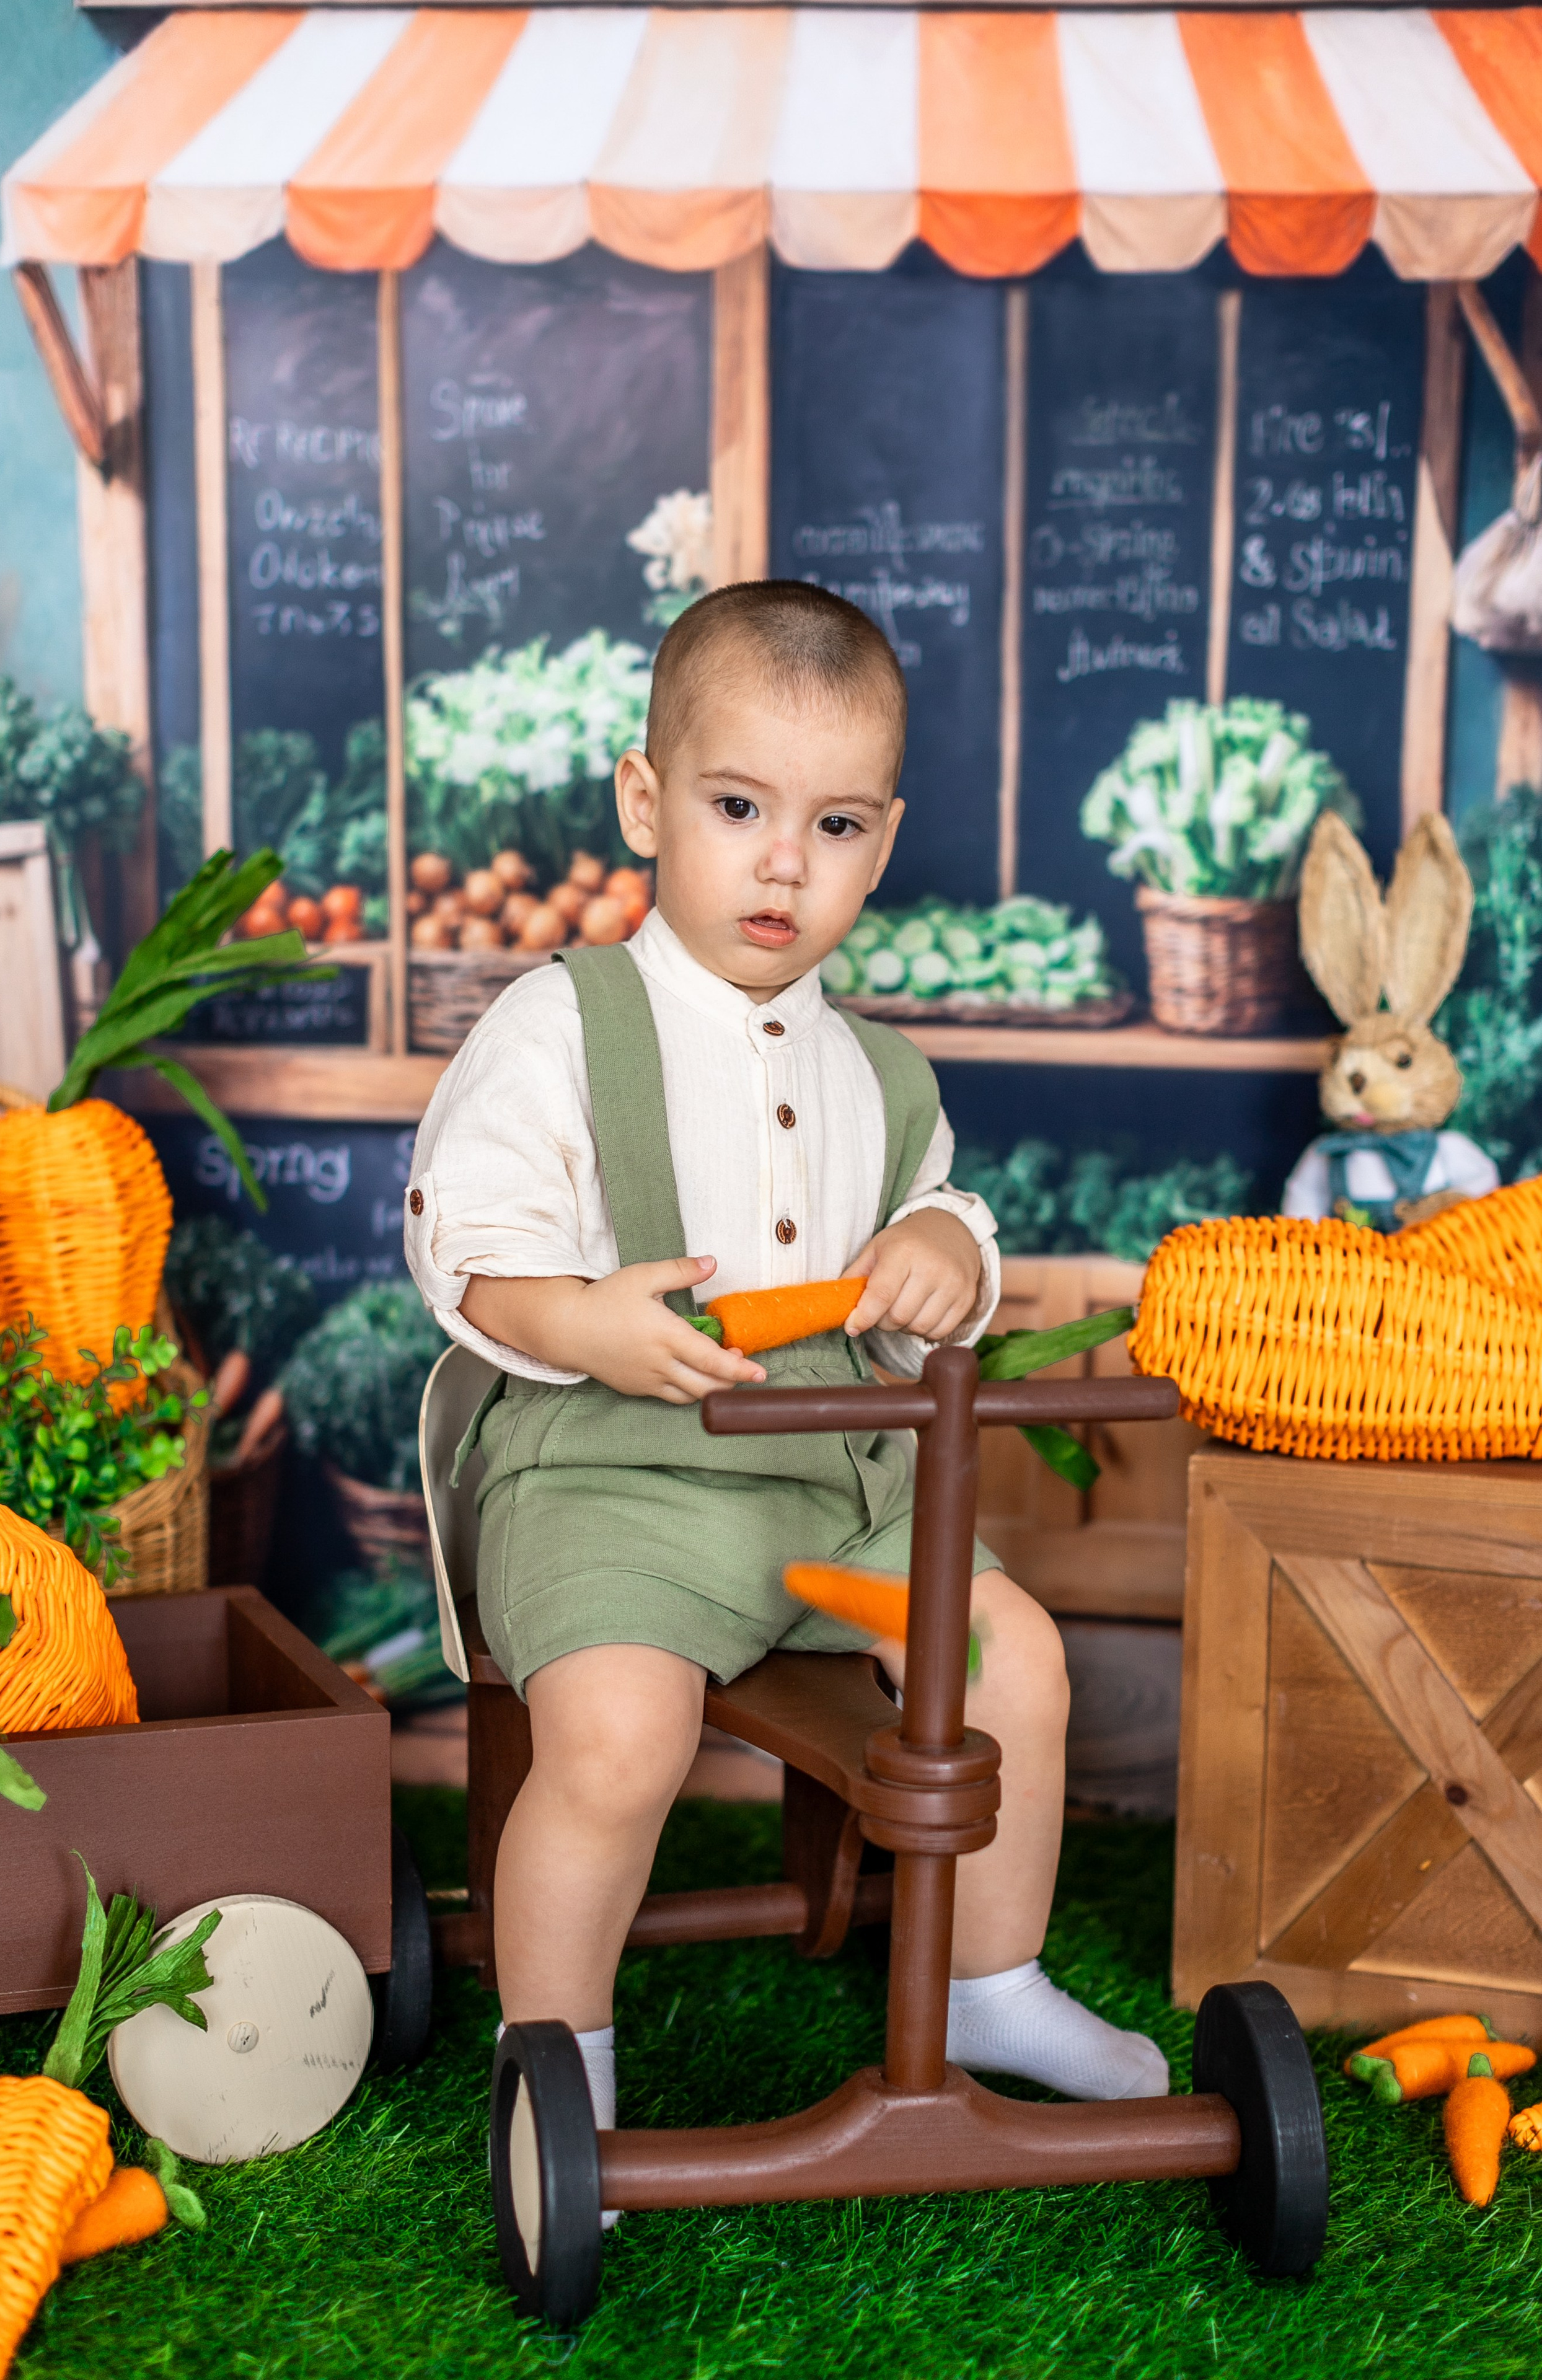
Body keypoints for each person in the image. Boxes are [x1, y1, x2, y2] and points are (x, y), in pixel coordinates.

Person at [405, 582, 1168, 2138]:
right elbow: (467, 1239)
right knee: (620, 1738)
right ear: (645, 800)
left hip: (838, 1496)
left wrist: (945, 1250)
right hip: (611, 1481)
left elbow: (928, 1249)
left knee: (1012, 1658)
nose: (779, 864)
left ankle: (988, 1981)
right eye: (737, 806)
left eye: (831, 829)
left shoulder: (882, 1071)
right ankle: (558, 2058)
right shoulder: (559, 1023)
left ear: (880, 844)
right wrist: (581, 1320)